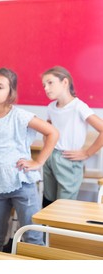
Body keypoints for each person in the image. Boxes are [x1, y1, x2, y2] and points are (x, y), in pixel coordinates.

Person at [0, 68, 58, 252]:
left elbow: (52, 132)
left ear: (10, 92)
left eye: (0, 87)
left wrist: (38, 162)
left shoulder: (19, 116)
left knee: (32, 234)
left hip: (22, 183)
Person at [41, 66, 103, 207]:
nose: (46, 88)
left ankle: (57, 229)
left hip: (68, 159)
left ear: (65, 82)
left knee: (63, 204)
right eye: (44, 85)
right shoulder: (51, 107)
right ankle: (45, 229)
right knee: (48, 200)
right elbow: (48, 130)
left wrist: (87, 153)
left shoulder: (78, 107)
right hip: (50, 157)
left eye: (50, 83)